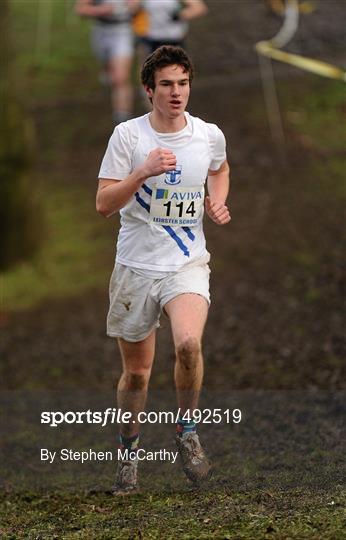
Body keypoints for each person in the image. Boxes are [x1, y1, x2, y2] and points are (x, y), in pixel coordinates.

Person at [96, 45, 231, 494]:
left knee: (189, 344)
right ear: (149, 90)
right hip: (136, 266)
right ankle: (128, 458)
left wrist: (218, 199)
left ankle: (187, 434)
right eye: (168, 85)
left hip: (186, 262)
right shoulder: (128, 138)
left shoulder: (208, 134)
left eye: (184, 83)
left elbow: (220, 167)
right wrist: (142, 173)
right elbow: (103, 204)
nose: (177, 93)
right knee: (138, 374)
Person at [75, 0, 139, 123]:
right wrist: (101, 10)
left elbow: (137, 6)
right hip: (101, 32)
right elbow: (80, 9)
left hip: (123, 31)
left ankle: (122, 118)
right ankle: (107, 69)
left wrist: (133, 6)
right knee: (111, 73)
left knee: (120, 78)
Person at [140, 0, 208, 53]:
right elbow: (135, 8)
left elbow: (200, 8)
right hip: (152, 39)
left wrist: (179, 15)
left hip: (173, 40)